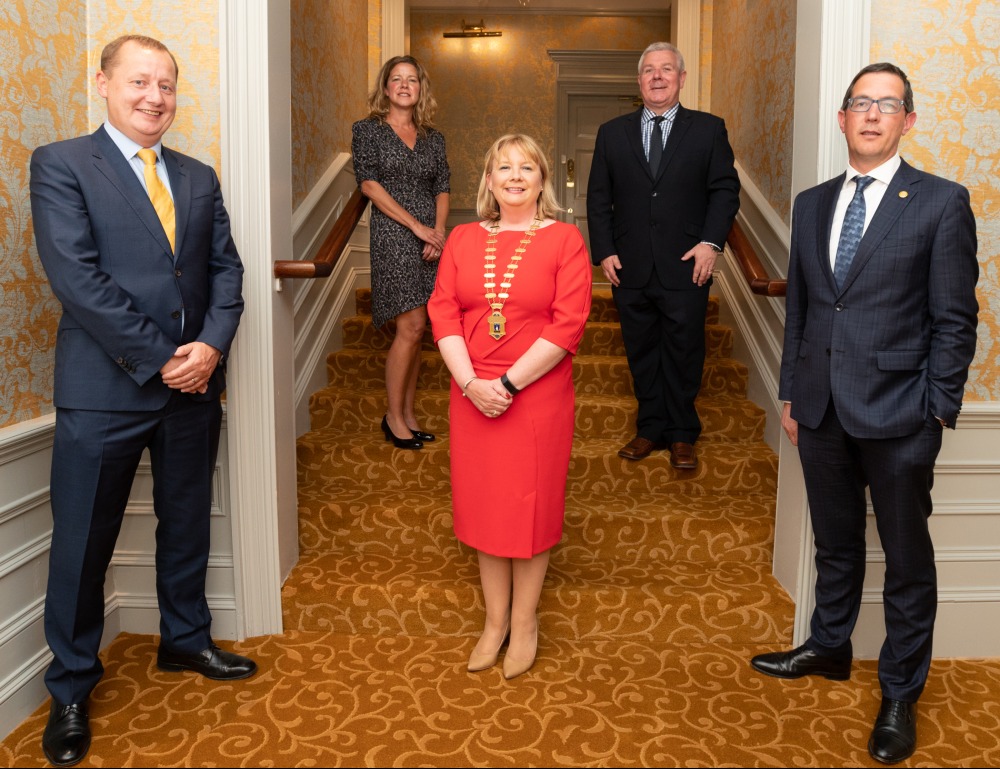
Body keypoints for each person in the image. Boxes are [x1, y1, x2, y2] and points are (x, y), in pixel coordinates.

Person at [29, 35, 254, 767]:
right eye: (139, 82)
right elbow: (78, 280)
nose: (155, 97)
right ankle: (69, 685)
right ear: (102, 83)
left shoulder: (197, 176)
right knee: (82, 545)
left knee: (186, 523)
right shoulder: (62, 164)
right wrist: (166, 361)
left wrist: (212, 347)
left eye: (166, 85)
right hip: (106, 392)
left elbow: (227, 269)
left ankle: (184, 640)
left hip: (194, 386)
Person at [750, 63, 979, 765]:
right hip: (819, 408)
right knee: (837, 538)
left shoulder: (940, 202)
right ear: (843, 118)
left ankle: (901, 690)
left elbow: (955, 317)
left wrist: (936, 410)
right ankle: (829, 643)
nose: (872, 114)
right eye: (860, 103)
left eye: (888, 105)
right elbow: (806, 312)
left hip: (902, 413)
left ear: (907, 121)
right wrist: (791, 391)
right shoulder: (815, 202)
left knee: (907, 560)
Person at [427, 134, 592, 680]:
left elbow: (568, 323)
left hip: (536, 397)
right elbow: (444, 312)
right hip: (471, 393)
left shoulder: (566, 240)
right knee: (485, 507)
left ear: (543, 179)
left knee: (531, 508)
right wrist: (472, 382)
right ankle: (493, 623)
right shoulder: (463, 238)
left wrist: (509, 385)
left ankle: (524, 624)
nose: (515, 176)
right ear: (490, 181)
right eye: (504, 167)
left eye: (527, 167)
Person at [586, 41, 740, 469]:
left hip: (687, 263)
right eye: (649, 70)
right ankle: (650, 428)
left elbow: (725, 191)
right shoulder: (611, 133)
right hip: (629, 264)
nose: (657, 76)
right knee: (641, 350)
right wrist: (604, 251)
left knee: (685, 349)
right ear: (639, 81)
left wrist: (711, 243)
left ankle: (682, 433)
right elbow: (598, 198)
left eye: (666, 69)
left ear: (681, 78)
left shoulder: (709, 129)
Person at [352, 55, 450, 449]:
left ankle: (408, 414)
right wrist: (416, 227)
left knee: (421, 328)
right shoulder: (368, 131)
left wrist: (438, 233)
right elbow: (369, 186)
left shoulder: (433, 137)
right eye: (397, 79)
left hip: (431, 240)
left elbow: (442, 186)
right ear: (386, 87)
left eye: (412, 79)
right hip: (394, 236)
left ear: (420, 88)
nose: (405, 85)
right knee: (409, 326)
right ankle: (393, 417)